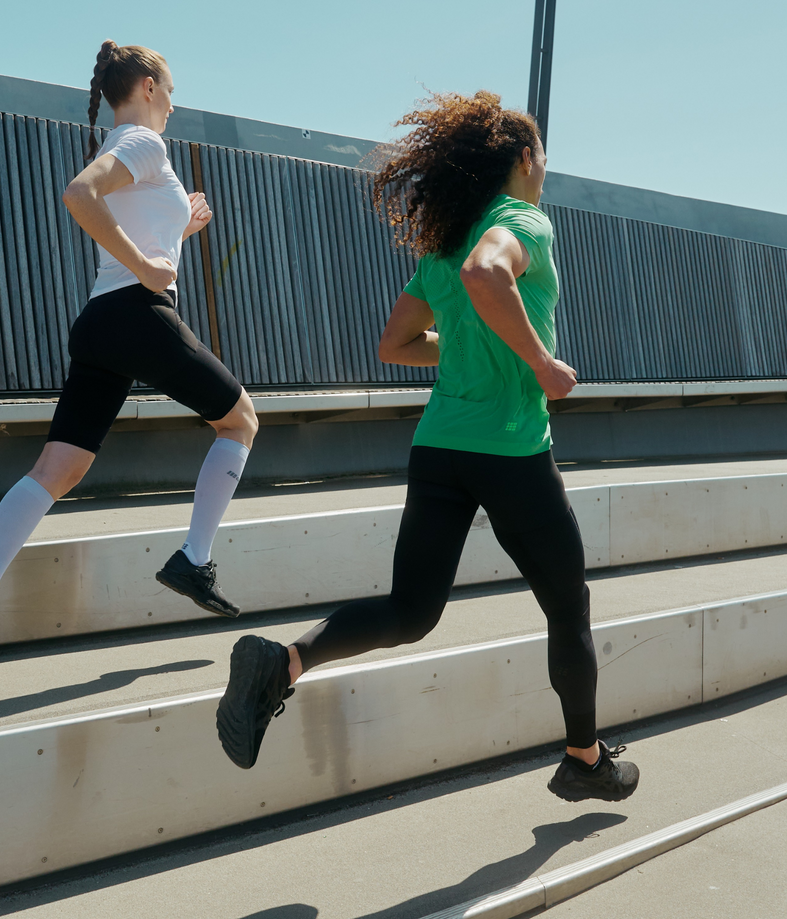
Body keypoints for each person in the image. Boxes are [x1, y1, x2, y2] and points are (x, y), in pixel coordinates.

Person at [216, 90, 639, 802]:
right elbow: (487, 275)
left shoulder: (445, 242)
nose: (544, 174)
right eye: (543, 161)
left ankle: (282, 663)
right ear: (525, 159)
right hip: (511, 453)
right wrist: (538, 363)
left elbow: (396, 344)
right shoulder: (521, 220)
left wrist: (473, 340)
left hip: (440, 449)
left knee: (411, 610)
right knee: (568, 608)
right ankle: (585, 759)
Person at [0, 40, 256, 686]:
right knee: (241, 421)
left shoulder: (129, 149)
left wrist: (174, 236)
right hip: (137, 313)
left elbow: (117, 217)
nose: (174, 102)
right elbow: (80, 196)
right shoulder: (144, 141)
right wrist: (149, 267)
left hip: (101, 324)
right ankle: (194, 560)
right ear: (152, 86)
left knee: (59, 468)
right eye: (172, 88)